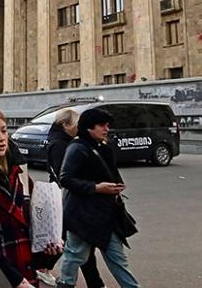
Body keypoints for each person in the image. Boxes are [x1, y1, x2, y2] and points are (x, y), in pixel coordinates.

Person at [0, 105, 61, 288]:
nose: (1, 138)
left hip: (24, 269)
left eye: (4, 130)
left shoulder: (18, 173)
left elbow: (29, 227)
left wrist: (47, 247)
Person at [57, 108, 140, 288]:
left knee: (117, 258)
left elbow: (110, 174)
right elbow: (65, 179)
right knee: (75, 255)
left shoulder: (102, 147)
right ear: (89, 127)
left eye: (108, 125)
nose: (106, 129)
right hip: (82, 216)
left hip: (106, 214)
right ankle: (65, 284)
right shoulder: (77, 148)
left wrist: (116, 186)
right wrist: (97, 188)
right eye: (102, 125)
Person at [45, 109, 105, 288]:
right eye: (76, 124)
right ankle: (43, 267)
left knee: (78, 242)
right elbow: (64, 175)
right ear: (65, 125)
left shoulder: (65, 141)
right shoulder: (59, 144)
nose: (79, 128)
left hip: (69, 199)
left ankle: (94, 283)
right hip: (67, 199)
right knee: (75, 241)